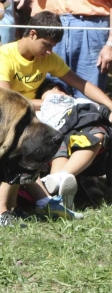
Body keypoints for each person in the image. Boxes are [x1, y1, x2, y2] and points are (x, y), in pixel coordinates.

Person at [0, 11, 112, 225]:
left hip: (38, 116)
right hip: (6, 117)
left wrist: (109, 105)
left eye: (53, 46)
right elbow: (5, 99)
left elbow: (80, 84)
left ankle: (54, 189)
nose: (49, 51)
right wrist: (49, 103)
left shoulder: (47, 58)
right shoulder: (5, 56)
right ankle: (6, 208)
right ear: (32, 34)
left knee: (92, 125)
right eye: (46, 45)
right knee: (30, 141)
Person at [26, 0, 112, 97]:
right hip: (49, 28)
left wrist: (110, 44)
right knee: (50, 93)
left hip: (91, 31)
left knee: (91, 96)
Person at [36, 79, 111, 209]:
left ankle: (60, 178)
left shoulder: (77, 101)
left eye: (60, 89)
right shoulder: (40, 109)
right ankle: (59, 196)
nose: (56, 90)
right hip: (56, 134)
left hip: (80, 130)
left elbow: (100, 111)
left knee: (97, 135)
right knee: (59, 151)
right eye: (49, 89)